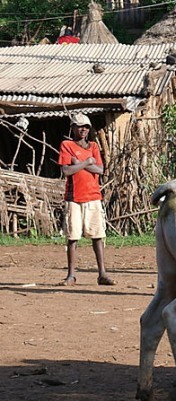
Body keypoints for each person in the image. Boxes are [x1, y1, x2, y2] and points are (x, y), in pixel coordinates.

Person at [58, 113, 115, 287]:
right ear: (73, 128)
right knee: (73, 236)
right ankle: (71, 275)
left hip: (93, 196)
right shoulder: (66, 145)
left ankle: (102, 273)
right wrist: (86, 162)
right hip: (74, 197)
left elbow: (100, 170)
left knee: (97, 235)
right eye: (79, 126)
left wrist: (79, 162)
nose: (83, 129)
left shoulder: (93, 146)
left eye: (86, 127)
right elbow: (66, 171)